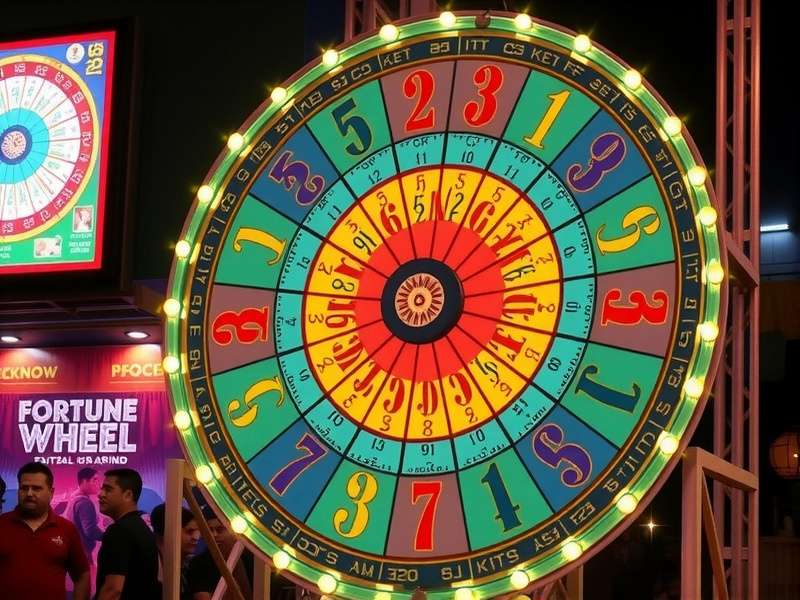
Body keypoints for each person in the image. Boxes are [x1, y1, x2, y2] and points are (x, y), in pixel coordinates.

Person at [0, 462, 90, 600]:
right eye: (24, 488)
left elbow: (82, 574)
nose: (29, 493)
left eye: (36, 488)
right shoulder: (2, 524)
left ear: (51, 492)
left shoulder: (66, 529)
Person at [95, 468, 160, 600]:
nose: (100, 494)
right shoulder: (141, 528)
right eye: (102, 489)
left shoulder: (120, 531)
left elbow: (113, 590)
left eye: (108, 489)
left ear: (128, 495)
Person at [186, 507, 254, 600]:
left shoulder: (253, 559)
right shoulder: (199, 563)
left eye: (220, 529)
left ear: (234, 532)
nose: (214, 535)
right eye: (210, 530)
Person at [150, 503, 201, 599]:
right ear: (167, 530)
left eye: (198, 531)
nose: (196, 537)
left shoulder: (191, 565)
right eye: (189, 531)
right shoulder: (149, 564)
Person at [71, 467, 104, 561]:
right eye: (95, 480)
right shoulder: (84, 502)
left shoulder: (74, 498)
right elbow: (90, 530)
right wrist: (109, 537)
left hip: (77, 551)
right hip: (83, 554)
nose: (98, 484)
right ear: (84, 481)